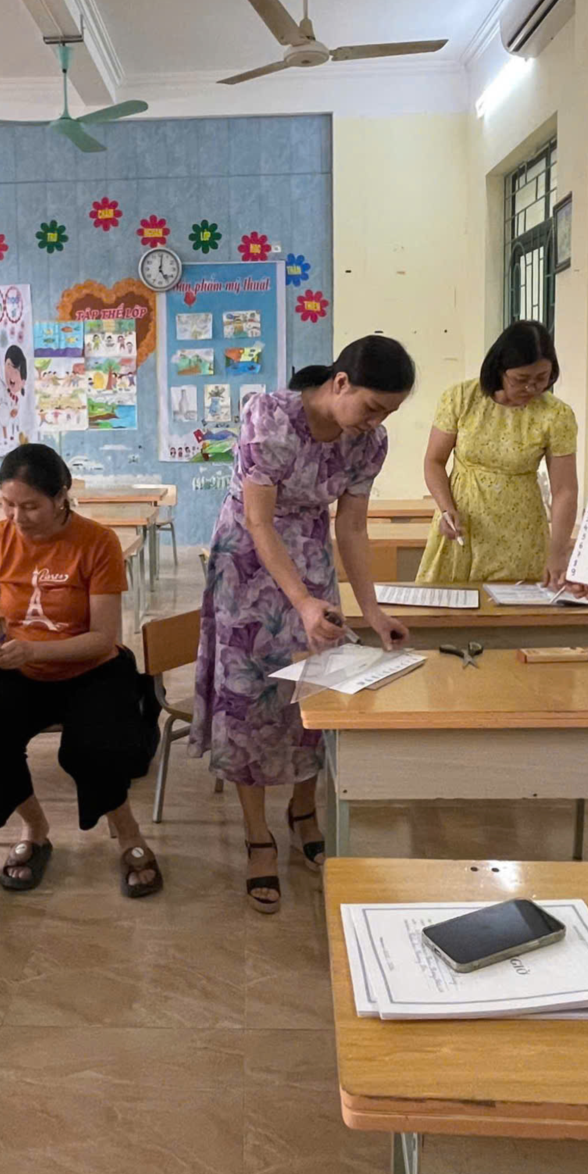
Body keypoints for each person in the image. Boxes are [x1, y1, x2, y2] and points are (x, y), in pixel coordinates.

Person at [192, 335, 415, 913]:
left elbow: (353, 529)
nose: (376, 422)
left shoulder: (369, 443)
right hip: (248, 564)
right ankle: (257, 835)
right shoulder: (269, 416)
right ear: (340, 383)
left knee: (313, 692)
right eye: (372, 406)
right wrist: (302, 602)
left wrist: (371, 611)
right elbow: (260, 523)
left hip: (311, 559)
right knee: (249, 698)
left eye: (388, 413)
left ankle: (303, 809)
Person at [0, 443, 162, 898]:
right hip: (25, 672)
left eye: (30, 506)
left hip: (91, 668)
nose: (17, 517)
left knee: (95, 747)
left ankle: (128, 833)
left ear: (61, 497)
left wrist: (32, 649)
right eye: (8, 504)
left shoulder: (97, 542)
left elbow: (103, 638)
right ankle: (35, 829)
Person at [416, 320, 582, 587]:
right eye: (521, 380)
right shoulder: (461, 398)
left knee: (514, 604)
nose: (532, 389)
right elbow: (434, 461)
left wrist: (558, 552)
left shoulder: (556, 415)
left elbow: (565, 490)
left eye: (542, 378)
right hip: (462, 520)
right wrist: (446, 509)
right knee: (449, 600)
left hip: (521, 531)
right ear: (499, 369)